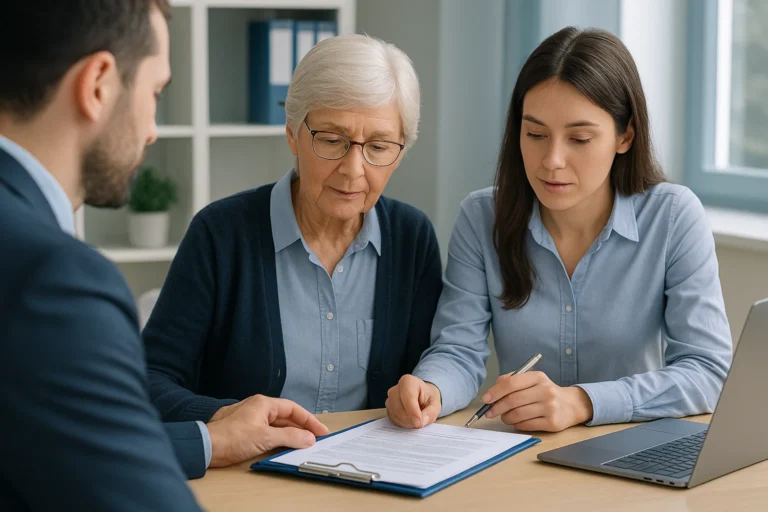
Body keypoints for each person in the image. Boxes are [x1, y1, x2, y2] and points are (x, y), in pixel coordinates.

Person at [0, 2, 327, 510]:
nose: (153, 129)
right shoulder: (55, 280)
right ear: (99, 84)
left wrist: (208, 439)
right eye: (155, 93)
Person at [386, 27, 733, 432]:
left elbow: (709, 372)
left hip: (632, 454)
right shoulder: (482, 218)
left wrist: (584, 402)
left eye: (579, 138)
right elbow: (458, 351)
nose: (551, 160)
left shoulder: (673, 217)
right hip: (522, 457)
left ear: (625, 135)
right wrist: (431, 387)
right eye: (535, 134)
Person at [142, 34, 442, 423]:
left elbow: (430, 370)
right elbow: (149, 379)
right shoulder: (220, 234)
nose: (353, 170)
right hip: (249, 471)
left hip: (373, 474)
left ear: (400, 153)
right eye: (332, 140)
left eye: (379, 147)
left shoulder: (412, 238)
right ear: (292, 135)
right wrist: (227, 417)